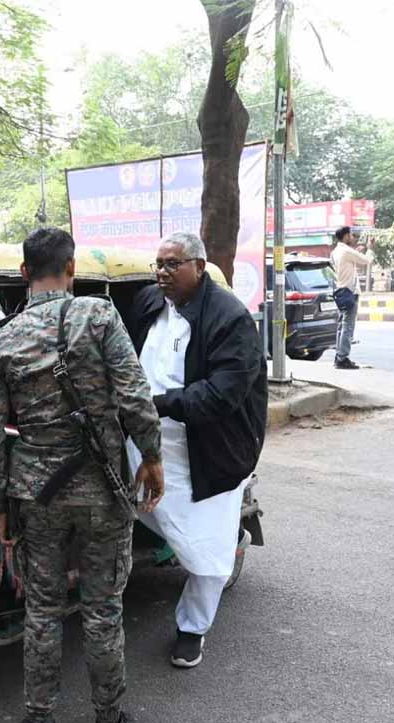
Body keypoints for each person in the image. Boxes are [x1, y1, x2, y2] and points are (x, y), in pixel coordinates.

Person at [0, 227, 165, 723]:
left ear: (22, 274)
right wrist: (150, 457)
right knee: (103, 610)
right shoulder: (99, 316)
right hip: (104, 492)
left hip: (38, 498)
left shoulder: (2, 341)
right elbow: (134, 397)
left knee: (42, 610)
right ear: (72, 268)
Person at [124, 231, 268, 669]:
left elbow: (221, 395)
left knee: (206, 554)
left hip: (207, 453)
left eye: (173, 264)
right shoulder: (149, 303)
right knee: (126, 507)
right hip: (145, 445)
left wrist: (156, 405)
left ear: (199, 267)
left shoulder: (231, 318)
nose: (162, 273)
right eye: (159, 264)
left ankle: (192, 628)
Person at [330, 226, 373, 369]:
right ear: (346, 236)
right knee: (348, 326)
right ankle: (342, 358)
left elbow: (350, 261)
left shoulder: (335, 251)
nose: (353, 237)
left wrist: (356, 253)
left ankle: (339, 356)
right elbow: (367, 260)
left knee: (341, 325)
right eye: (351, 235)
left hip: (340, 291)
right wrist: (370, 248)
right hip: (349, 293)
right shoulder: (346, 251)